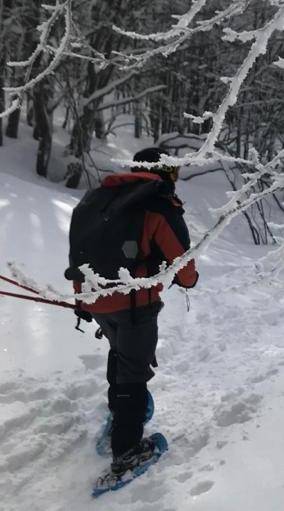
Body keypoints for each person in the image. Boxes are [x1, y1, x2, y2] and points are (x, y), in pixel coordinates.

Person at [65, 147, 199, 488]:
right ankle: (125, 451)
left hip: (92, 298)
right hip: (134, 303)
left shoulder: (100, 197)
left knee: (120, 353)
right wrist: (189, 282)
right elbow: (184, 268)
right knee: (134, 372)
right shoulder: (157, 204)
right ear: (166, 173)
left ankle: (119, 414)